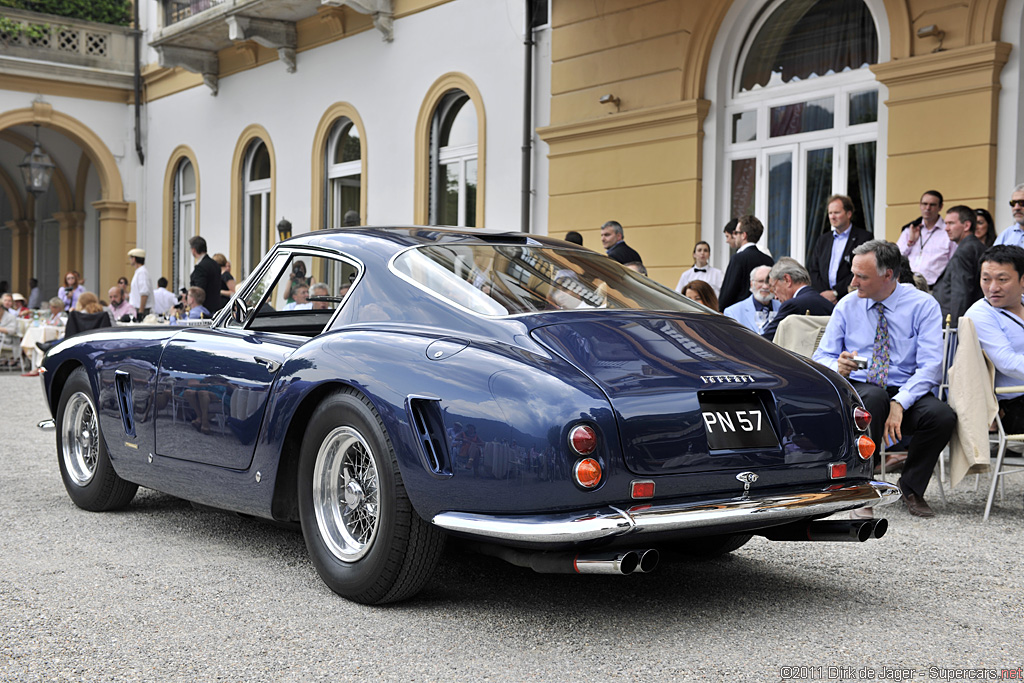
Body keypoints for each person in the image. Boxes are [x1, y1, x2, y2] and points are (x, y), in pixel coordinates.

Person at [813, 240, 953, 518]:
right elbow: (820, 356)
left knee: (942, 416)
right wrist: (837, 365)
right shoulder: (847, 306)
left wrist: (900, 402)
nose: (852, 282)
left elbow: (931, 367)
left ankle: (911, 487)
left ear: (888, 274)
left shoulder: (922, 305)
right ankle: (861, 489)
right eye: (853, 273)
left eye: (861, 276)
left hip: (906, 389)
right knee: (873, 399)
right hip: (863, 389)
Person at [964, 245, 1024, 433]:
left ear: (1023, 280)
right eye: (986, 279)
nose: (993, 288)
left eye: (1002, 280)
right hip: (1012, 404)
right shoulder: (981, 313)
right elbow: (1006, 362)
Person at [807, 194, 873, 302]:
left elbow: (861, 271)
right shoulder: (823, 239)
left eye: (837, 212)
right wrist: (824, 294)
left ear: (849, 214)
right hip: (823, 299)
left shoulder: (864, 238)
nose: (832, 217)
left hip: (849, 298)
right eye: (830, 213)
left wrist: (836, 293)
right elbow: (814, 270)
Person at [932, 205, 985, 325]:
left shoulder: (964, 251)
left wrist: (955, 328)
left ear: (966, 225)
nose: (946, 228)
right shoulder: (977, 246)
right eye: (945, 223)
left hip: (955, 323)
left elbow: (961, 293)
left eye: (951, 223)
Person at [761, 258, 834, 341]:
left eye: (774, 288)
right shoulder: (828, 304)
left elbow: (766, 340)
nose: (775, 297)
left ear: (787, 279)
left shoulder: (792, 305)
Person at [896, 190, 955, 287]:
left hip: (933, 288)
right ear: (920, 205)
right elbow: (896, 257)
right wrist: (910, 242)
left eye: (932, 205)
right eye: (924, 204)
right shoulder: (910, 230)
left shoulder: (947, 232)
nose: (927, 208)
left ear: (940, 207)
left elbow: (952, 264)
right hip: (907, 286)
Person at [718, 215, 774, 311]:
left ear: (744, 235)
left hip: (740, 313)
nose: (734, 236)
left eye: (736, 232)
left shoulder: (738, 258)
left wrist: (721, 308)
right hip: (765, 311)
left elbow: (728, 292)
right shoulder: (768, 259)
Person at [723, 265, 778, 334]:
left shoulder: (782, 307)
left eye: (768, 282)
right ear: (752, 284)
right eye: (760, 281)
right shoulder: (733, 312)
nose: (765, 286)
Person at [189, 235, 224, 313]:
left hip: (204, 310)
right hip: (217, 306)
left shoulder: (200, 267)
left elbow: (198, 291)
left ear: (194, 250)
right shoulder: (215, 264)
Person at [994, 183, 1024, 247]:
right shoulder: (1007, 234)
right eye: (1013, 203)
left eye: (1022, 203)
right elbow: (992, 256)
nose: (1016, 208)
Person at [127, 248, 153, 318]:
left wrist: (141, 311)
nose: (130, 260)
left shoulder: (142, 272)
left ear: (134, 259)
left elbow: (144, 293)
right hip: (137, 308)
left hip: (141, 309)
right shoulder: (139, 272)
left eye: (131, 258)